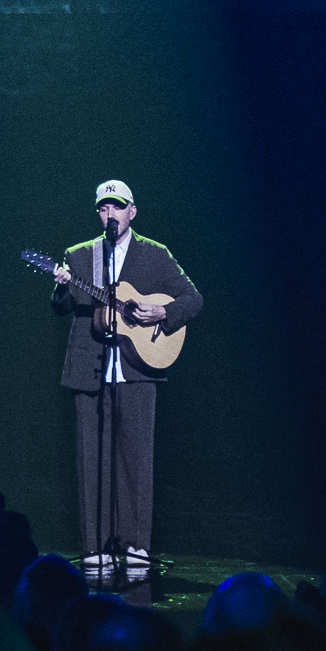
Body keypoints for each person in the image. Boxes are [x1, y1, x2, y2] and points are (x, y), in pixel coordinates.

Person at [52, 179, 202, 577]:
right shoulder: (81, 256)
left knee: (136, 460)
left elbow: (192, 298)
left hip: (139, 368)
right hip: (90, 369)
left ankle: (135, 544)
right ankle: (93, 547)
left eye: (117, 207)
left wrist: (162, 315)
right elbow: (62, 306)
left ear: (132, 211)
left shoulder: (155, 255)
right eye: (103, 208)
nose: (110, 214)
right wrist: (61, 287)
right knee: (91, 460)